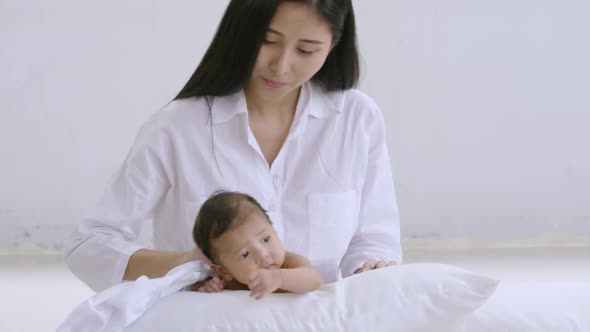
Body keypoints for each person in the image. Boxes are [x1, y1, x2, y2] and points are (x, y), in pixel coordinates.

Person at [64, 0, 403, 293]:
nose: (282, 66)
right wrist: (187, 264)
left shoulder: (357, 119)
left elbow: (373, 240)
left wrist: (371, 270)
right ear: (241, 33)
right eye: (268, 41)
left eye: (306, 50)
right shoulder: (178, 127)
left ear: (333, 46)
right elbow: (89, 245)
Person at [192, 191, 322, 299]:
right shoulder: (229, 282)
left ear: (275, 231)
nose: (262, 254)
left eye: (265, 239)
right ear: (224, 271)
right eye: (245, 254)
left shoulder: (290, 263)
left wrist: (280, 278)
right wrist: (206, 288)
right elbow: (191, 292)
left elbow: (314, 280)